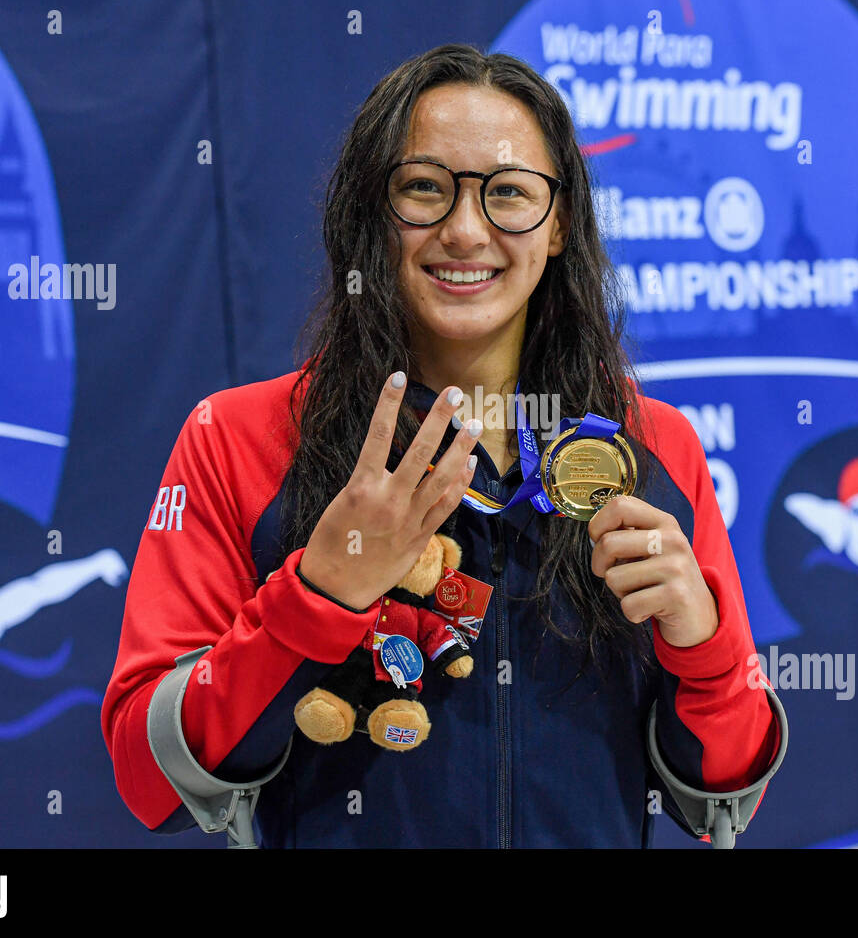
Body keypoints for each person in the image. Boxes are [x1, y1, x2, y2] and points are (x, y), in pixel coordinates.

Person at [101, 43, 782, 848]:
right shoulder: (241, 439)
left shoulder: (650, 446)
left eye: (508, 195)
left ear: (560, 224)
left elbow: (722, 797)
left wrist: (703, 645)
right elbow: (152, 780)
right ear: (371, 211)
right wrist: (318, 593)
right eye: (424, 189)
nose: (465, 231)